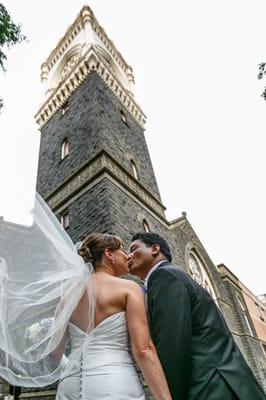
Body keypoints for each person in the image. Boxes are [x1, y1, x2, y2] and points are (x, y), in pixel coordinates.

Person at [128, 232, 266, 400]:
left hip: (211, 386)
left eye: (134, 249)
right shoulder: (170, 275)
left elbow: (173, 345)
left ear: (155, 249)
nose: (128, 256)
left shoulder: (164, 276)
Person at [56, 232, 172, 400]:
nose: (128, 256)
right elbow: (143, 349)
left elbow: (54, 354)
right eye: (123, 250)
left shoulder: (67, 298)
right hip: (113, 382)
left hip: (69, 385)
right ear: (109, 254)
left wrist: (74, 365)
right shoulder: (128, 288)